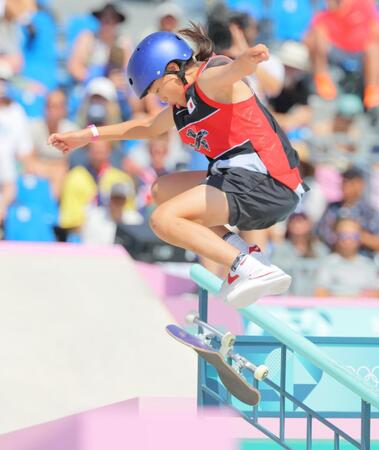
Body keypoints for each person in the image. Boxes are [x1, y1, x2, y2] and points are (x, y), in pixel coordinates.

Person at [48, 24, 309, 308]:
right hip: (243, 181)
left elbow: (231, 73)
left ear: (175, 68)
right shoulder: (182, 107)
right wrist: (87, 135)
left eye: (160, 89)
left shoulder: (208, 81)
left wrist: (246, 60)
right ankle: (247, 258)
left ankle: (248, 266)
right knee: (162, 190)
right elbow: (146, 127)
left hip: (266, 182)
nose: (161, 99)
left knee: (163, 220)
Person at [317, 166, 379, 256]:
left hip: (362, 262)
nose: (346, 186)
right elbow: (319, 234)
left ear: (361, 184)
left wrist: (353, 235)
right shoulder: (332, 208)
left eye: (351, 182)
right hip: (333, 260)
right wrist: (337, 235)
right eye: (344, 181)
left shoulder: (369, 212)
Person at [314, 218, 379, 297]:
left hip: (363, 308)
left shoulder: (369, 265)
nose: (349, 240)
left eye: (354, 236)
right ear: (336, 237)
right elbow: (320, 292)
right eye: (344, 235)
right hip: (334, 308)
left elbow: (376, 292)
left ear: (360, 238)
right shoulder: (327, 263)